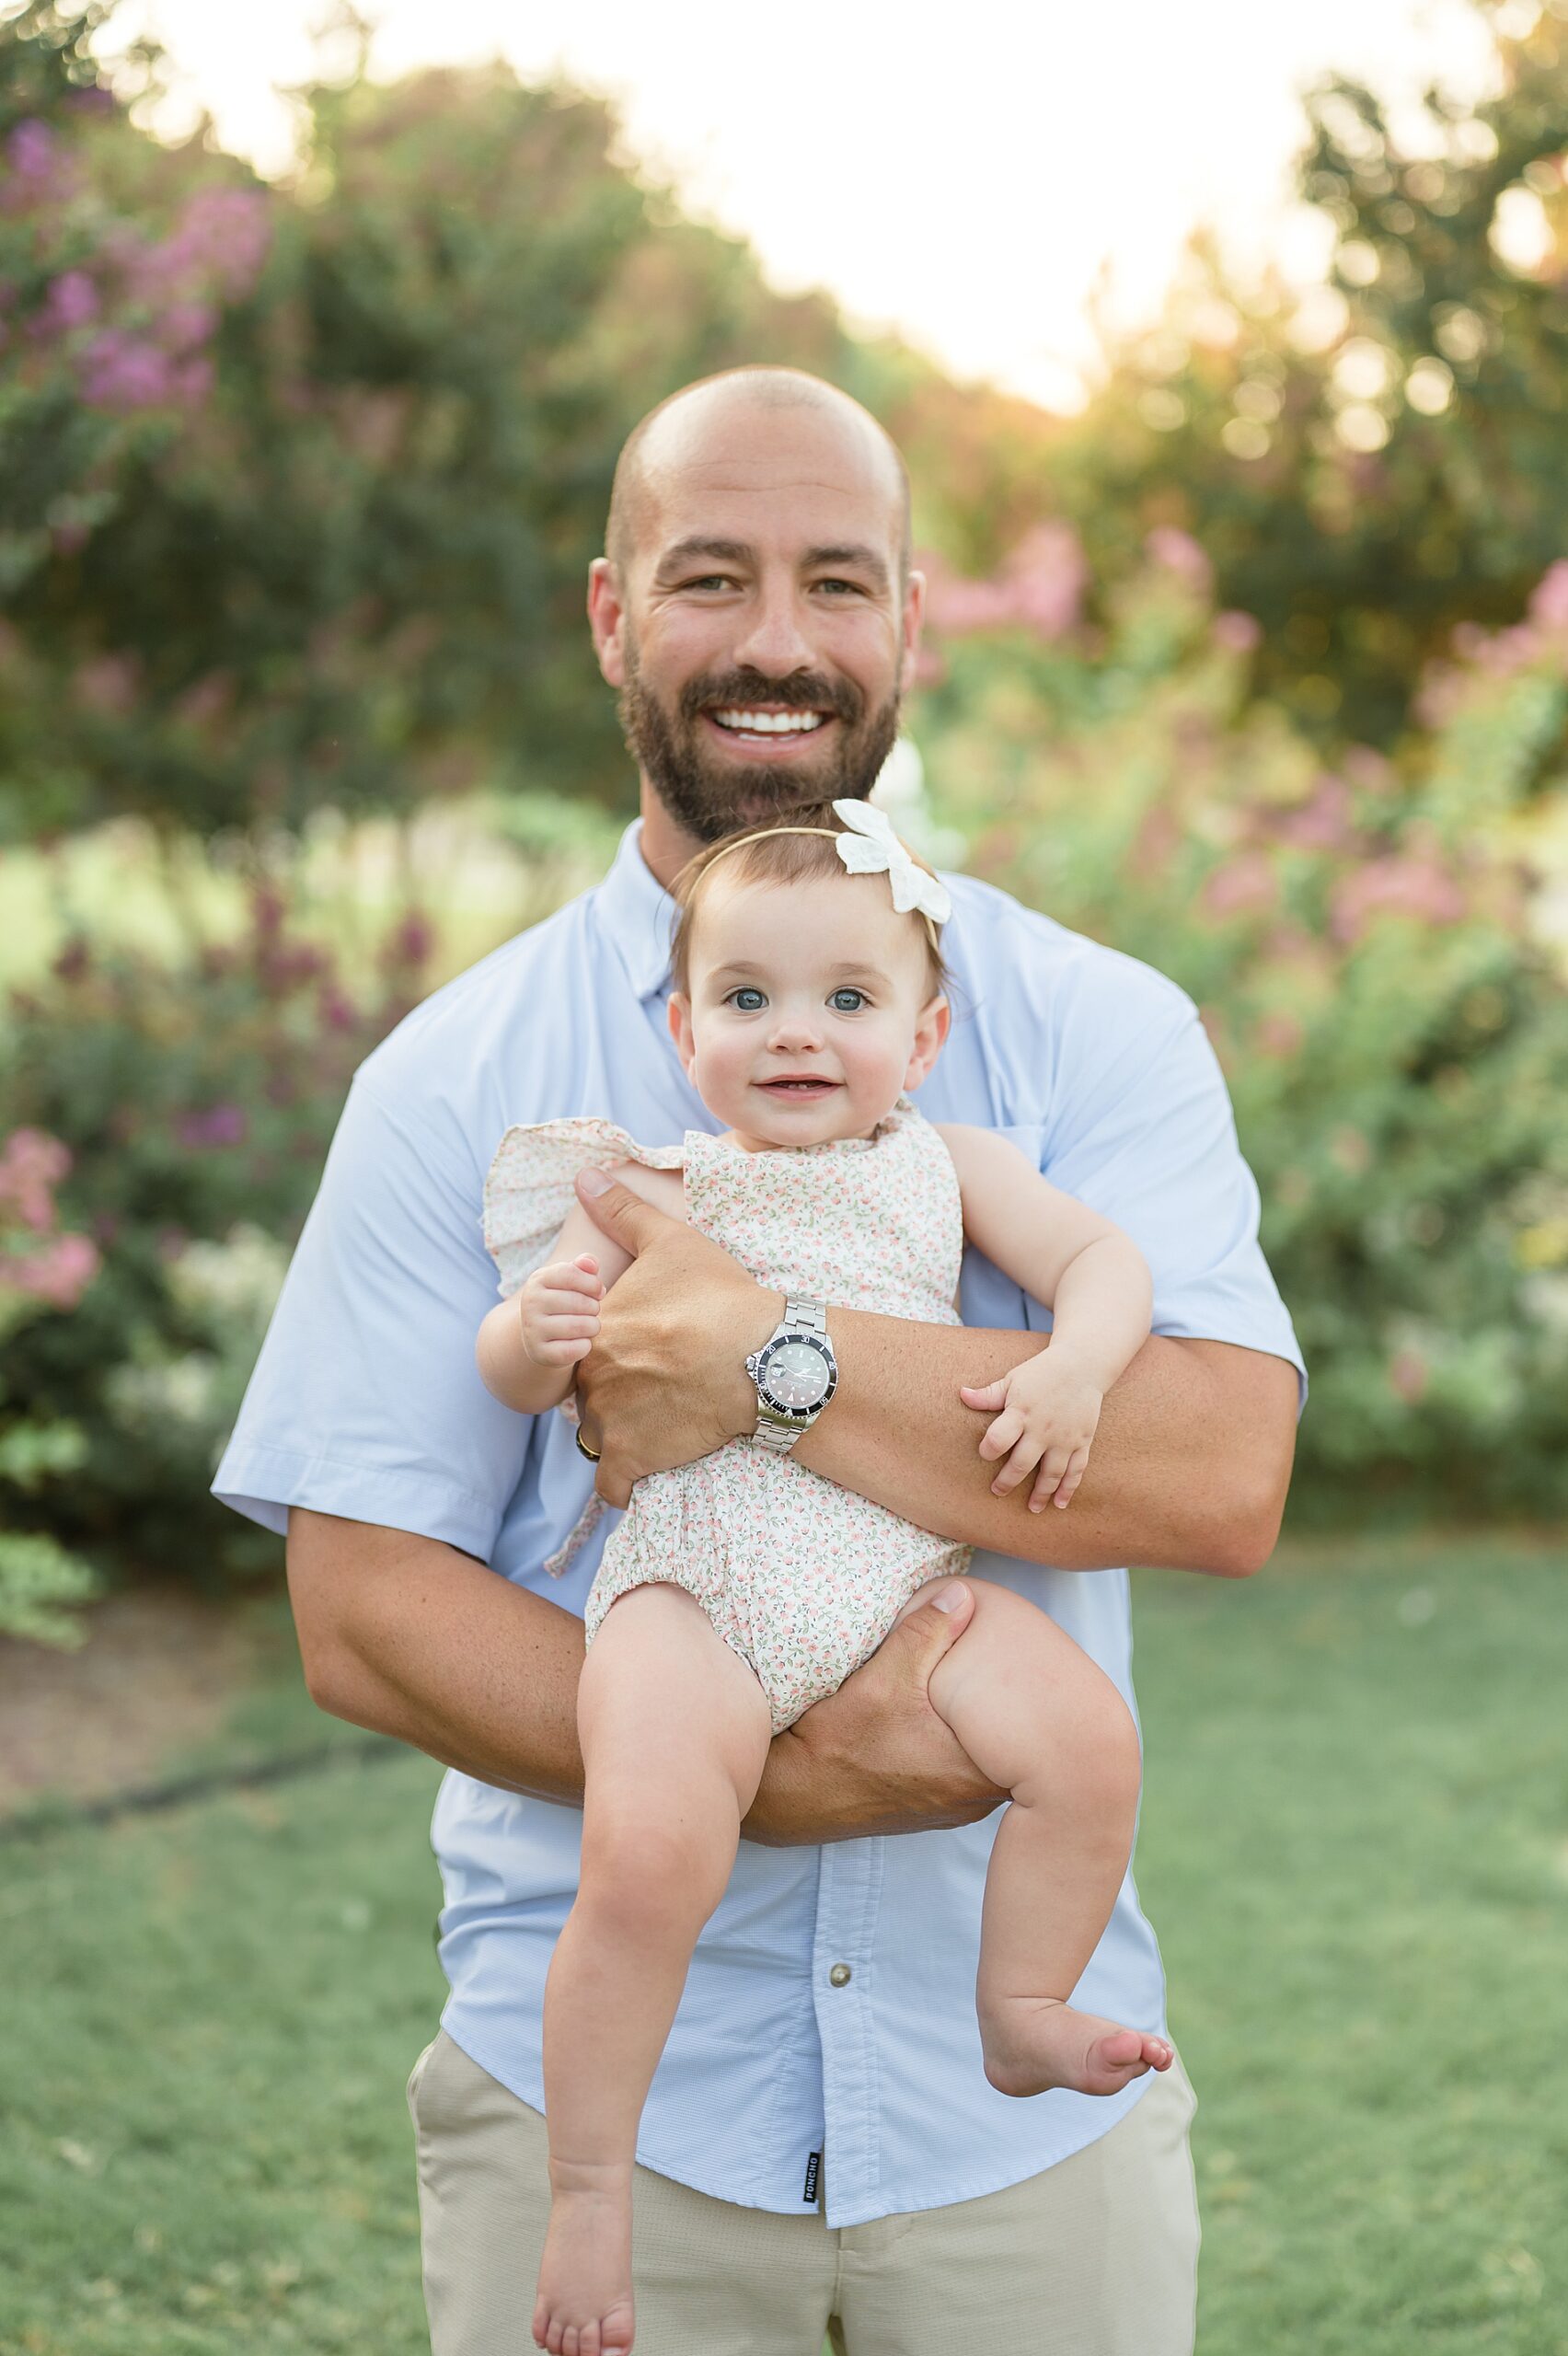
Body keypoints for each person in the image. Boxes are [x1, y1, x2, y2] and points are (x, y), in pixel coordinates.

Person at [215, 365, 1304, 2356]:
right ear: (616, 614)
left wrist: (766, 1355)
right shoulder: (459, 1081)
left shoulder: (1092, 1030)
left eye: (839, 581)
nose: (782, 643)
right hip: (618, 2113)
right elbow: (362, 1609)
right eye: (713, 578)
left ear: (914, 623)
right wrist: (764, 1775)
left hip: (1014, 2156)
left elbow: (1219, 1469)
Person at [478, 798, 1170, 2354]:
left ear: (924, 1041)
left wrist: (1075, 1371)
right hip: (699, 1589)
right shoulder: (647, 1186)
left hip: (897, 1593)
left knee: (1087, 1743)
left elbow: (1111, 1268)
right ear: (681, 1028)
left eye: (849, 1001)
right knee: (649, 1854)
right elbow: (513, 1367)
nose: (798, 1034)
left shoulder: (953, 1163)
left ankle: (1021, 2010)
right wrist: (540, 1336)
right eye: (747, 1000)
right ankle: (591, 2183)